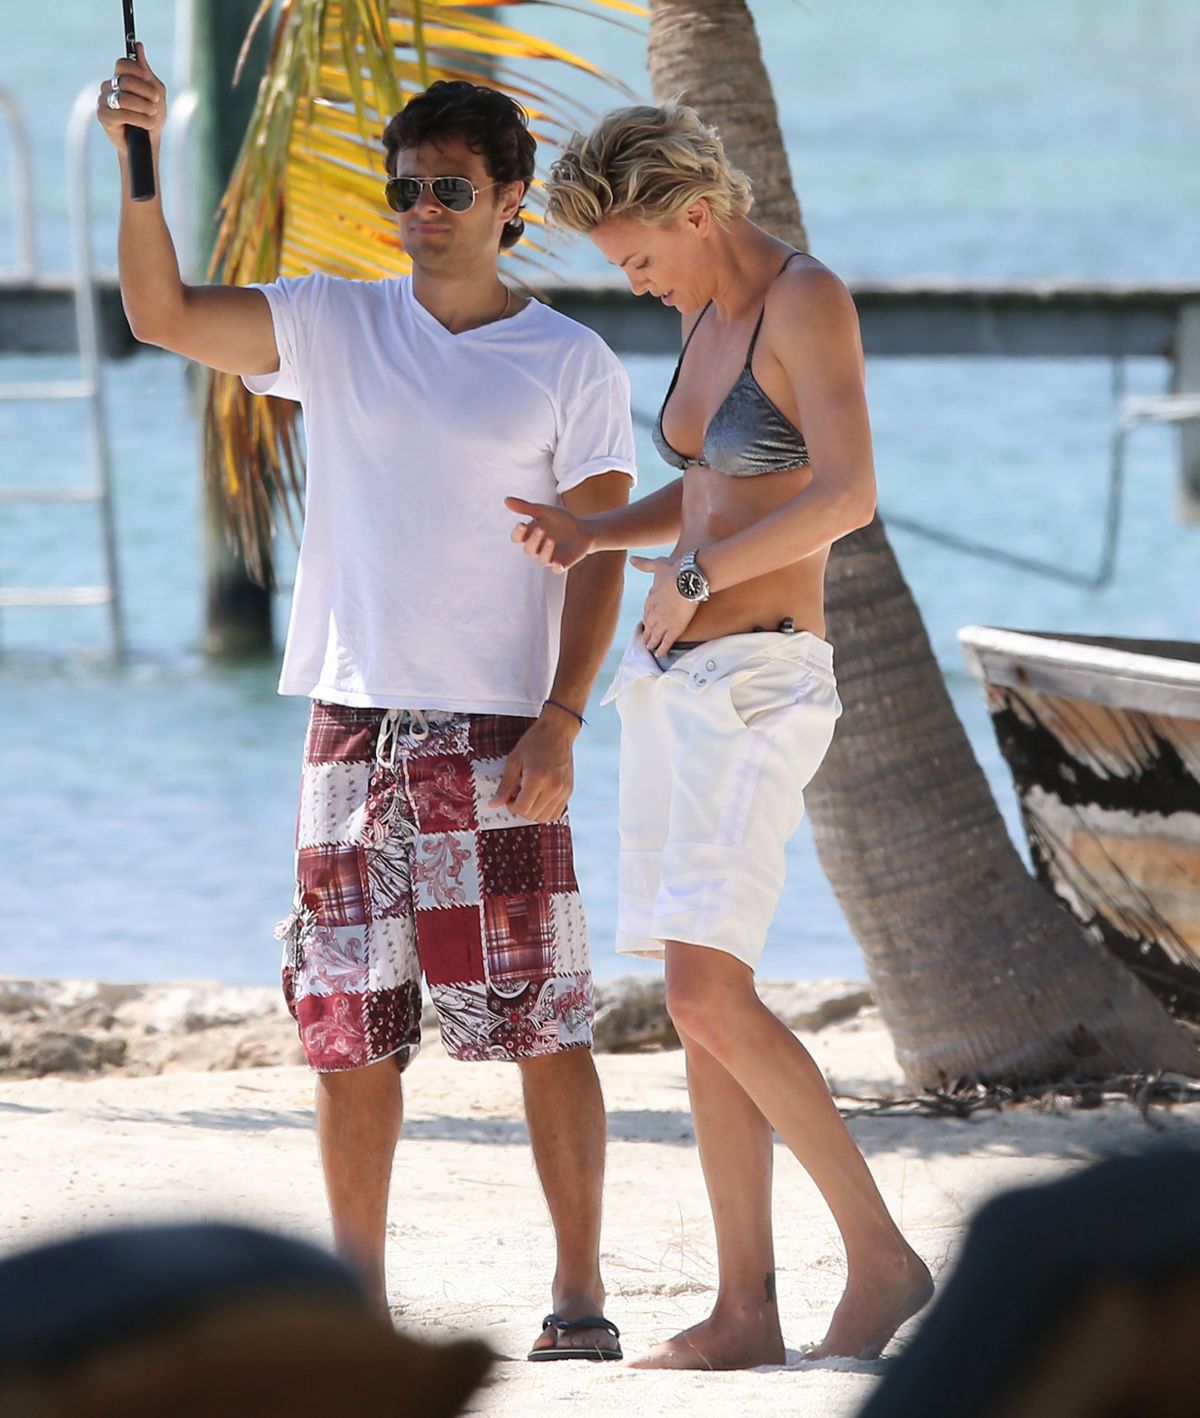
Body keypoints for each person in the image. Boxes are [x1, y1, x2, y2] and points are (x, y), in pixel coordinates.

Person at [96, 50, 635, 1362]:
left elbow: (605, 551)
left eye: (451, 188)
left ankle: (578, 1296)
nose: (424, 210)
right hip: (350, 727)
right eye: (407, 189)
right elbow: (161, 315)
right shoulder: (333, 324)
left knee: (541, 1019)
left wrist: (565, 715)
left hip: (498, 729)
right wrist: (140, 162)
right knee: (348, 1031)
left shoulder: (569, 361)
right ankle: (355, 1311)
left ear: (511, 201)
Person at [507, 102, 933, 1368]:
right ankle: (745, 1308)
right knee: (702, 1003)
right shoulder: (702, 313)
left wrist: (696, 579)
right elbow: (706, 490)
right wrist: (599, 533)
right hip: (673, 685)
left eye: (640, 257)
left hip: (760, 683)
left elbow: (847, 492)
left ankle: (882, 1257)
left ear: (696, 214)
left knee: (704, 992)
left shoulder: (807, 299)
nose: (636, 283)